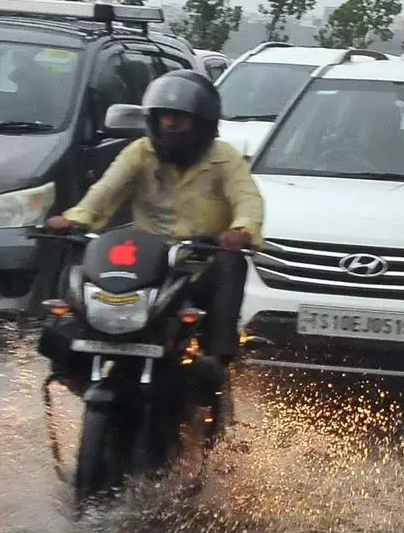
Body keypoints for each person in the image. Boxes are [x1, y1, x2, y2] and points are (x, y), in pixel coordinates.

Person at [45, 69, 264, 367]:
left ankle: (218, 358)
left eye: (180, 118)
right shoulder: (139, 152)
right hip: (148, 265)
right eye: (164, 117)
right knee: (77, 251)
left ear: (203, 124)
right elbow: (106, 191)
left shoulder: (224, 157)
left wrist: (241, 231)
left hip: (199, 265)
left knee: (232, 264)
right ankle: (68, 343)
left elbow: (247, 199)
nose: (170, 125)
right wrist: (74, 220)